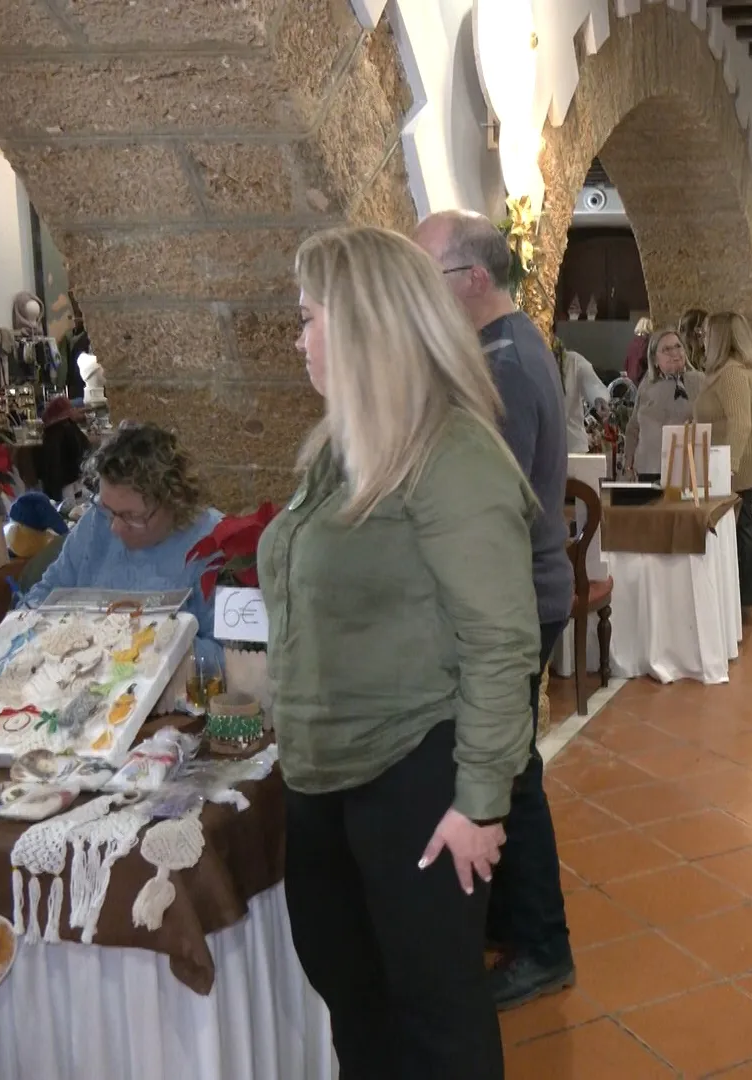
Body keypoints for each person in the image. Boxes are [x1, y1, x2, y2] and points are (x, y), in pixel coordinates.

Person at [264, 224, 537, 1079]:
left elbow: (501, 642)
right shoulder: (337, 451)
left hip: (413, 776)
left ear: (361, 326)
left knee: (434, 1021)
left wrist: (481, 802)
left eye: (308, 318)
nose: (298, 337)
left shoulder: (449, 454)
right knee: (359, 1005)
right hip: (323, 775)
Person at [411, 209, 575, 1010]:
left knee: (512, 772)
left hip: (518, 597)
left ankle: (544, 946)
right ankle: (514, 922)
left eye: (426, 275)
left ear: (473, 279)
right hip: (524, 591)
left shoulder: (503, 364)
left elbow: (482, 503)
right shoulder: (498, 350)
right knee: (513, 766)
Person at [20, 424, 223, 650]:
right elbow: (47, 593)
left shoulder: (213, 541)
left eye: (131, 516)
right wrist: (20, 627)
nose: (115, 527)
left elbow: (225, 653)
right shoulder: (97, 521)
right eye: (109, 510)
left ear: (174, 502)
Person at [695, 313, 752, 616]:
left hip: (733, 461)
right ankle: (740, 600)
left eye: (708, 332)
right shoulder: (741, 370)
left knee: (739, 530)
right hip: (734, 459)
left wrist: (730, 465)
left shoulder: (733, 373)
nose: (702, 337)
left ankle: (740, 601)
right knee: (741, 528)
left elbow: (740, 423)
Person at [626, 330, 703, 480]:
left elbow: (710, 421)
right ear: (655, 359)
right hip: (646, 470)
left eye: (678, 346)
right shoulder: (647, 383)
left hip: (684, 472)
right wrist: (628, 465)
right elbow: (633, 427)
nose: (674, 352)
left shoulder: (698, 381)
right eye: (667, 349)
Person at [554, 339, 608, 452]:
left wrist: (599, 399)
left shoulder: (574, 361)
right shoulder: (533, 364)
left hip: (574, 445)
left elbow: (592, 383)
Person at [35, 394, 90, 501]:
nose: (75, 410)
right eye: (72, 408)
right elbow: (82, 452)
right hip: (70, 486)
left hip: (54, 486)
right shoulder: (68, 428)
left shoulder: (50, 430)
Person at [623, 316, 652, 384]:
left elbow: (626, 361)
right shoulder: (645, 343)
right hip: (641, 378)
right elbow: (644, 359)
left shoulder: (633, 343)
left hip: (631, 377)